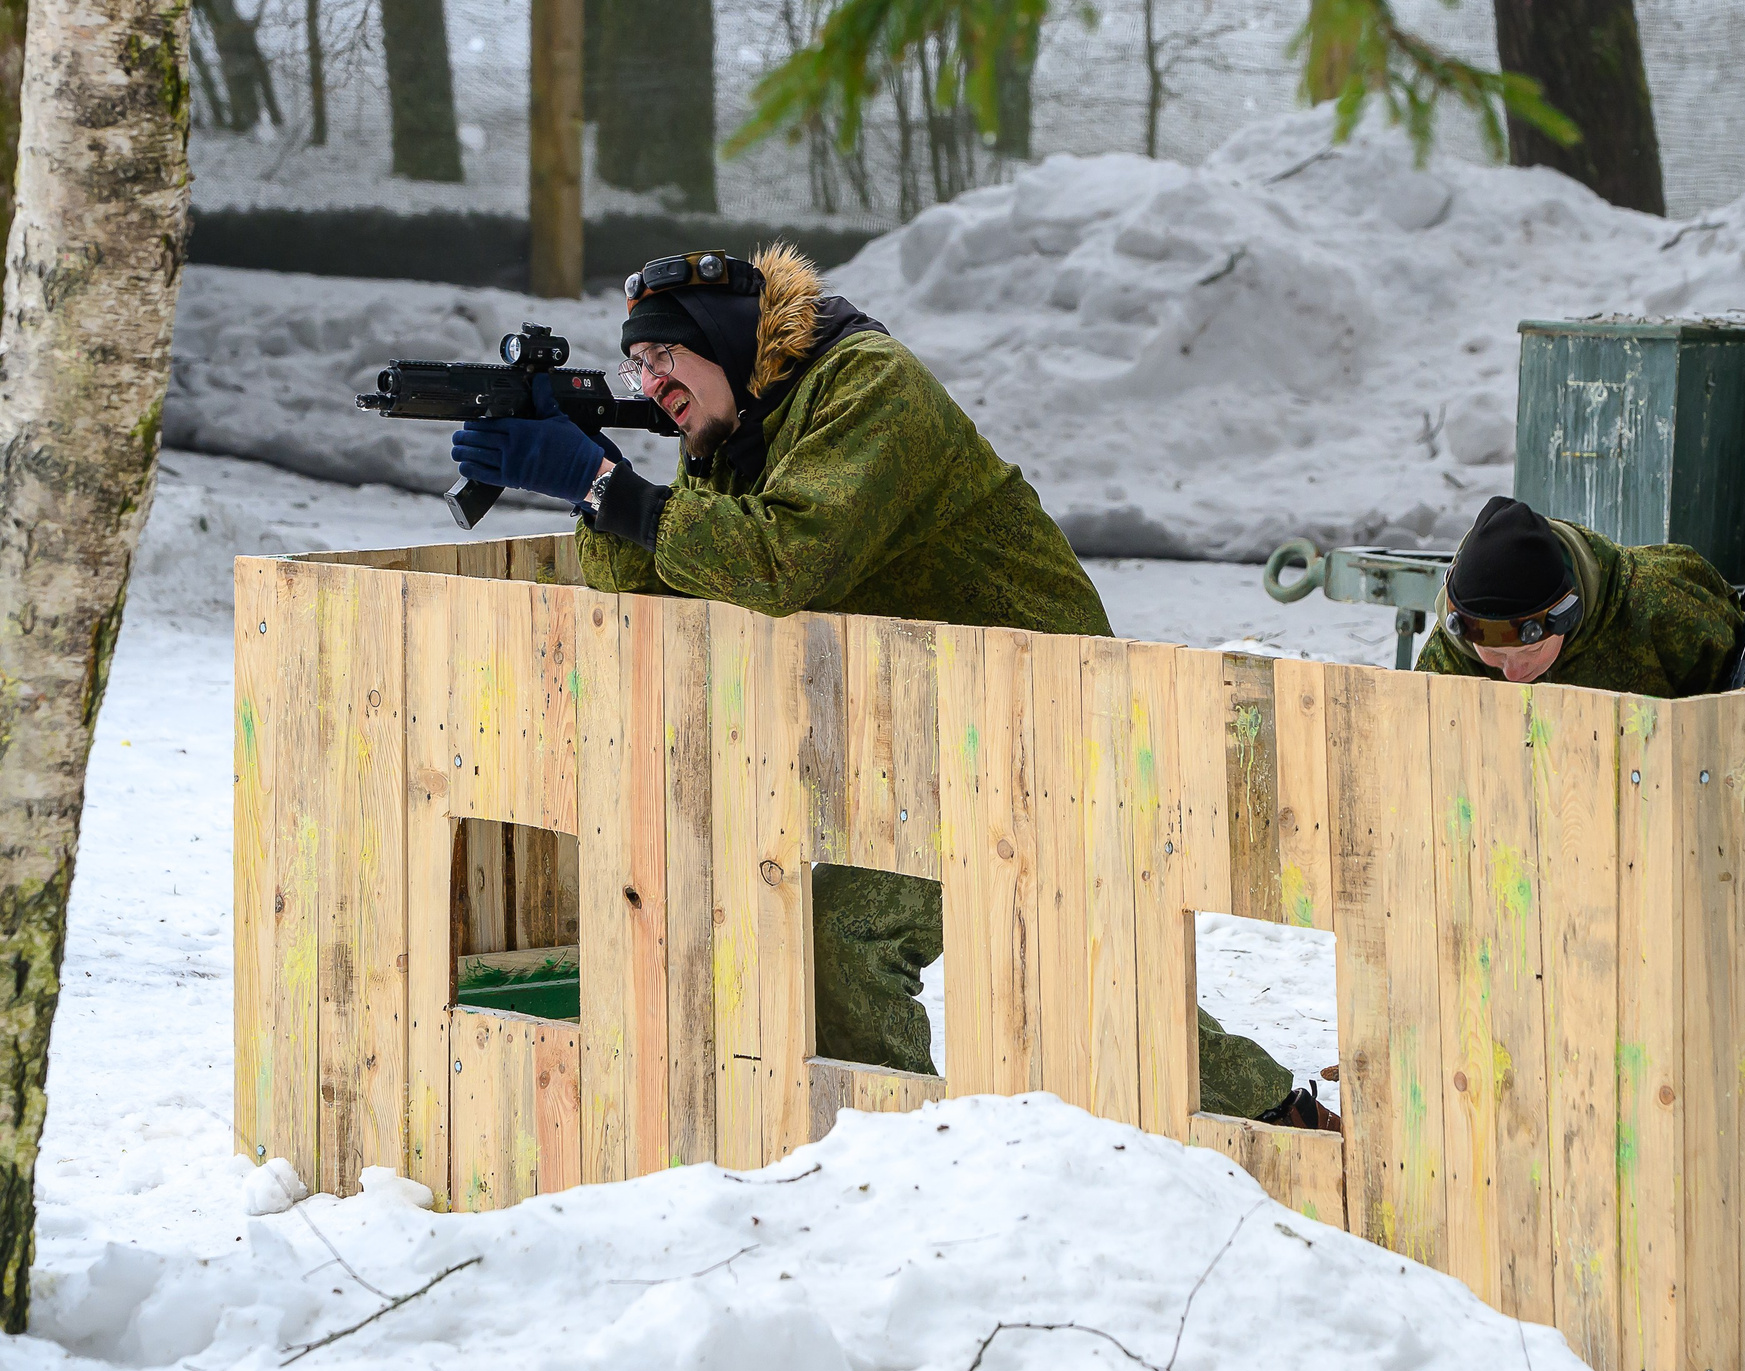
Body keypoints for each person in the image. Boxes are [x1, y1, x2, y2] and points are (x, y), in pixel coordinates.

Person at [449, 245, 1328, 1128]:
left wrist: (606, 485)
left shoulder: (865, 386)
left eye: (665, 357)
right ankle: (1269, 1122)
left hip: (1049, 711)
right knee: (1059, 949)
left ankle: (903, 1168)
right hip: (946, 725)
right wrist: (596, 488)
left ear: (722, 338)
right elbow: (659, 574)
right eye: (636, 365)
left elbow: (778, 560)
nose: (649, 382)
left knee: (948, 943)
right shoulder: (733, 428)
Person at [1414, 496, 1745, 697]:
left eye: (1528, 652)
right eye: (1494, 656)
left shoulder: (1661, 608)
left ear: (1568, 615)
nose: (1513, 674)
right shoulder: (1452, 656)